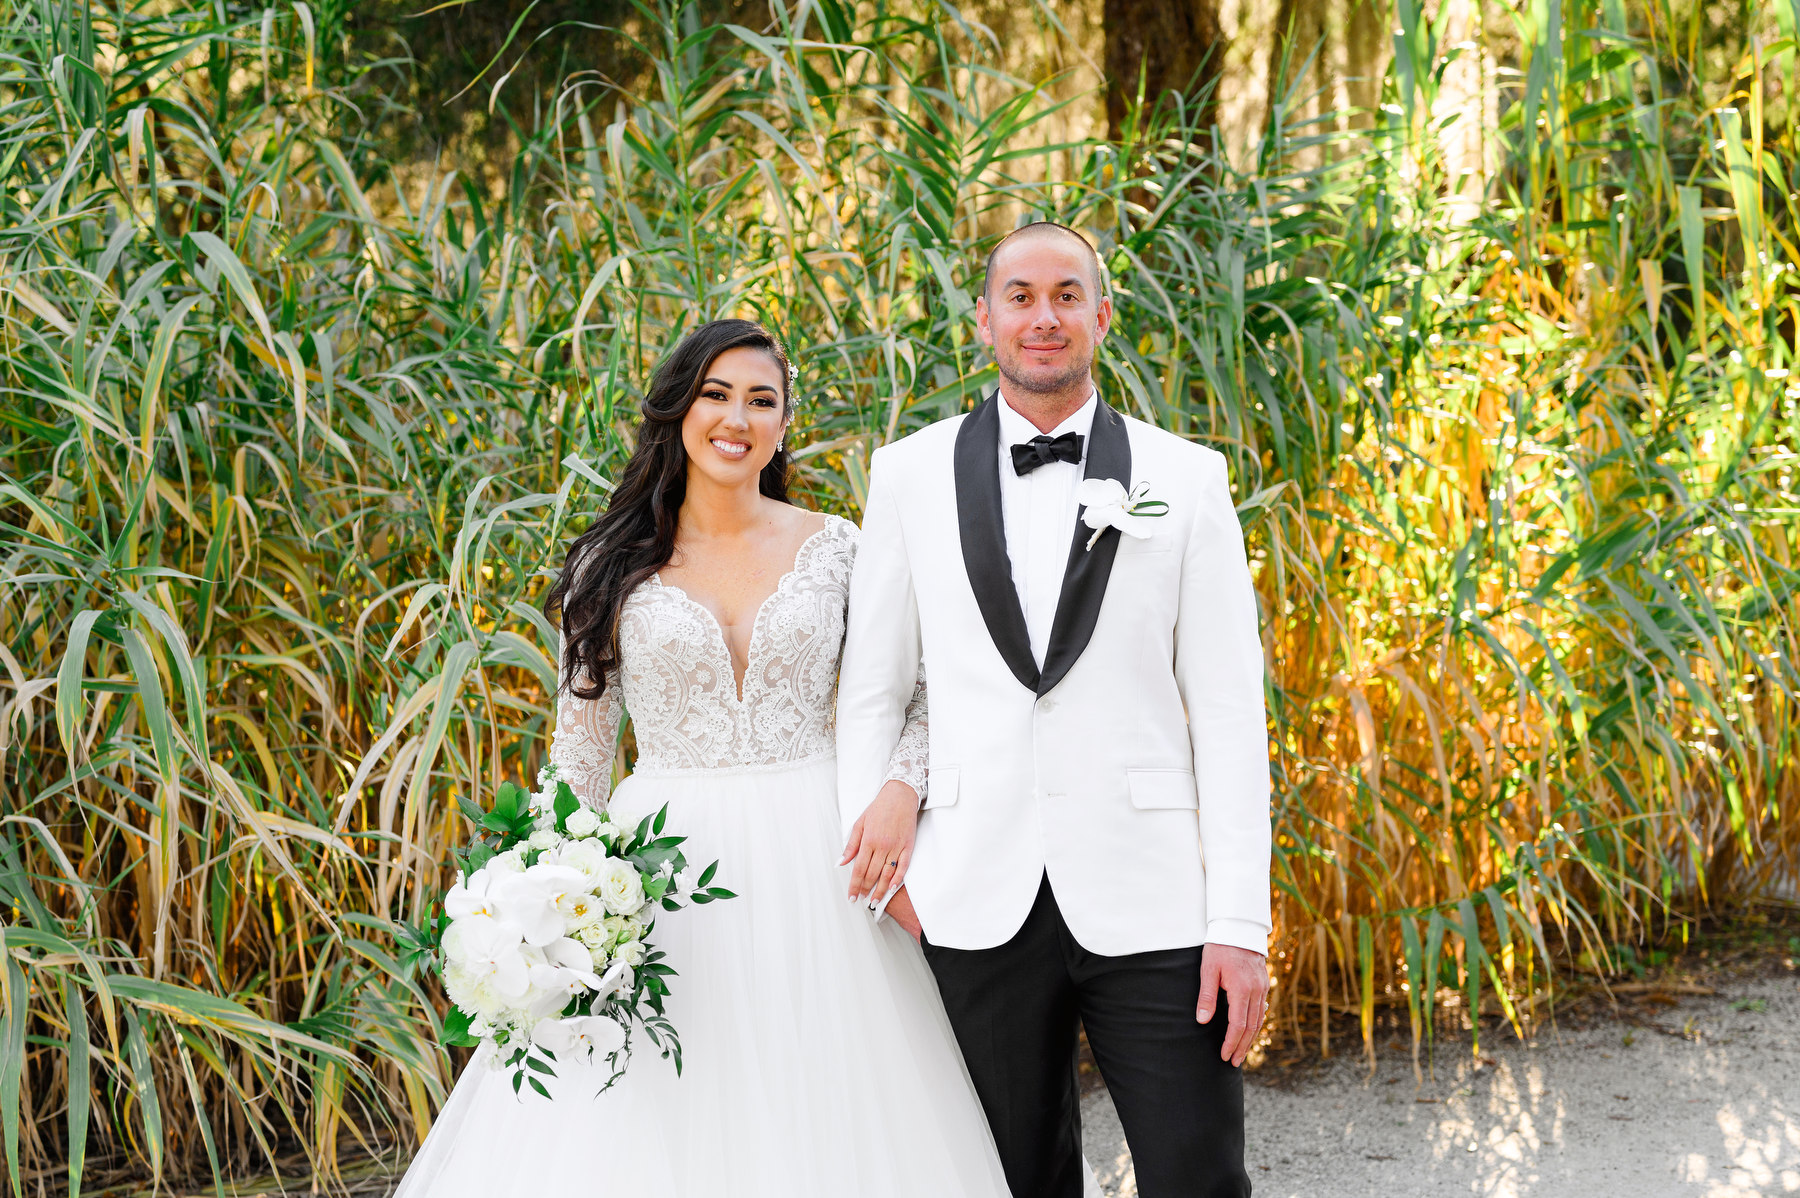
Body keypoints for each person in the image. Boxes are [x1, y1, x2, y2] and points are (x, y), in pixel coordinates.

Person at [391, 319, 1012, 1197]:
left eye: (762, 400)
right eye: (717, 394)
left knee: (826, 1099)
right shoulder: (610, 565)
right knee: (656, 1104)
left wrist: (902, 789)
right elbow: (579, 758)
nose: (737, 417)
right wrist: (547, 893)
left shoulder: (839, 547)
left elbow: (927, 690)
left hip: (821, 857)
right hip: (659, 871)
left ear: (785, 422)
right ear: (678, 409)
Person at [836, 220, 1274, 1198]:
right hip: (968, 893)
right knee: (1004, 1182)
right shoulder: (907, 474)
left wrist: (1240, 923)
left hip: (1154, 897)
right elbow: (874, 685)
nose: (1045, 316)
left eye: (1067, 296)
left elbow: (1232, 717)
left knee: (1199, 1175)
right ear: (985, 318)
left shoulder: (1187, 480)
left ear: (1102, 317)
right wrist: (881, 879)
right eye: (1022, 297)